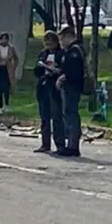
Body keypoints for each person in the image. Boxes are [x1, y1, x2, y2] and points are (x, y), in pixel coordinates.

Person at [33, 31, 65, 153]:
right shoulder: (43, 54)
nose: (49, 45)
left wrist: (56, 70)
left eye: (51, 43)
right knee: (44, 117)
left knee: (57, 116)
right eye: (46, 43)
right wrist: (42, 67)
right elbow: (36, 71)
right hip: (43, 86)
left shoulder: (61, 54)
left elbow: (64, 69)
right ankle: (45, 144)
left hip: (55, 87)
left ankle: (60, 144)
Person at [55, 26, 85, 157]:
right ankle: (70, 144)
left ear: (69, 37)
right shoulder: (68, 51)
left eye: (62, 38)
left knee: (71, 114)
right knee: (67, 114)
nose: (61, 42)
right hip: (68, 87)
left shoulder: (74, 51)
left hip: (72, 87)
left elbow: (74, 71)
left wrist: (63, 77)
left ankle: (73, 146)